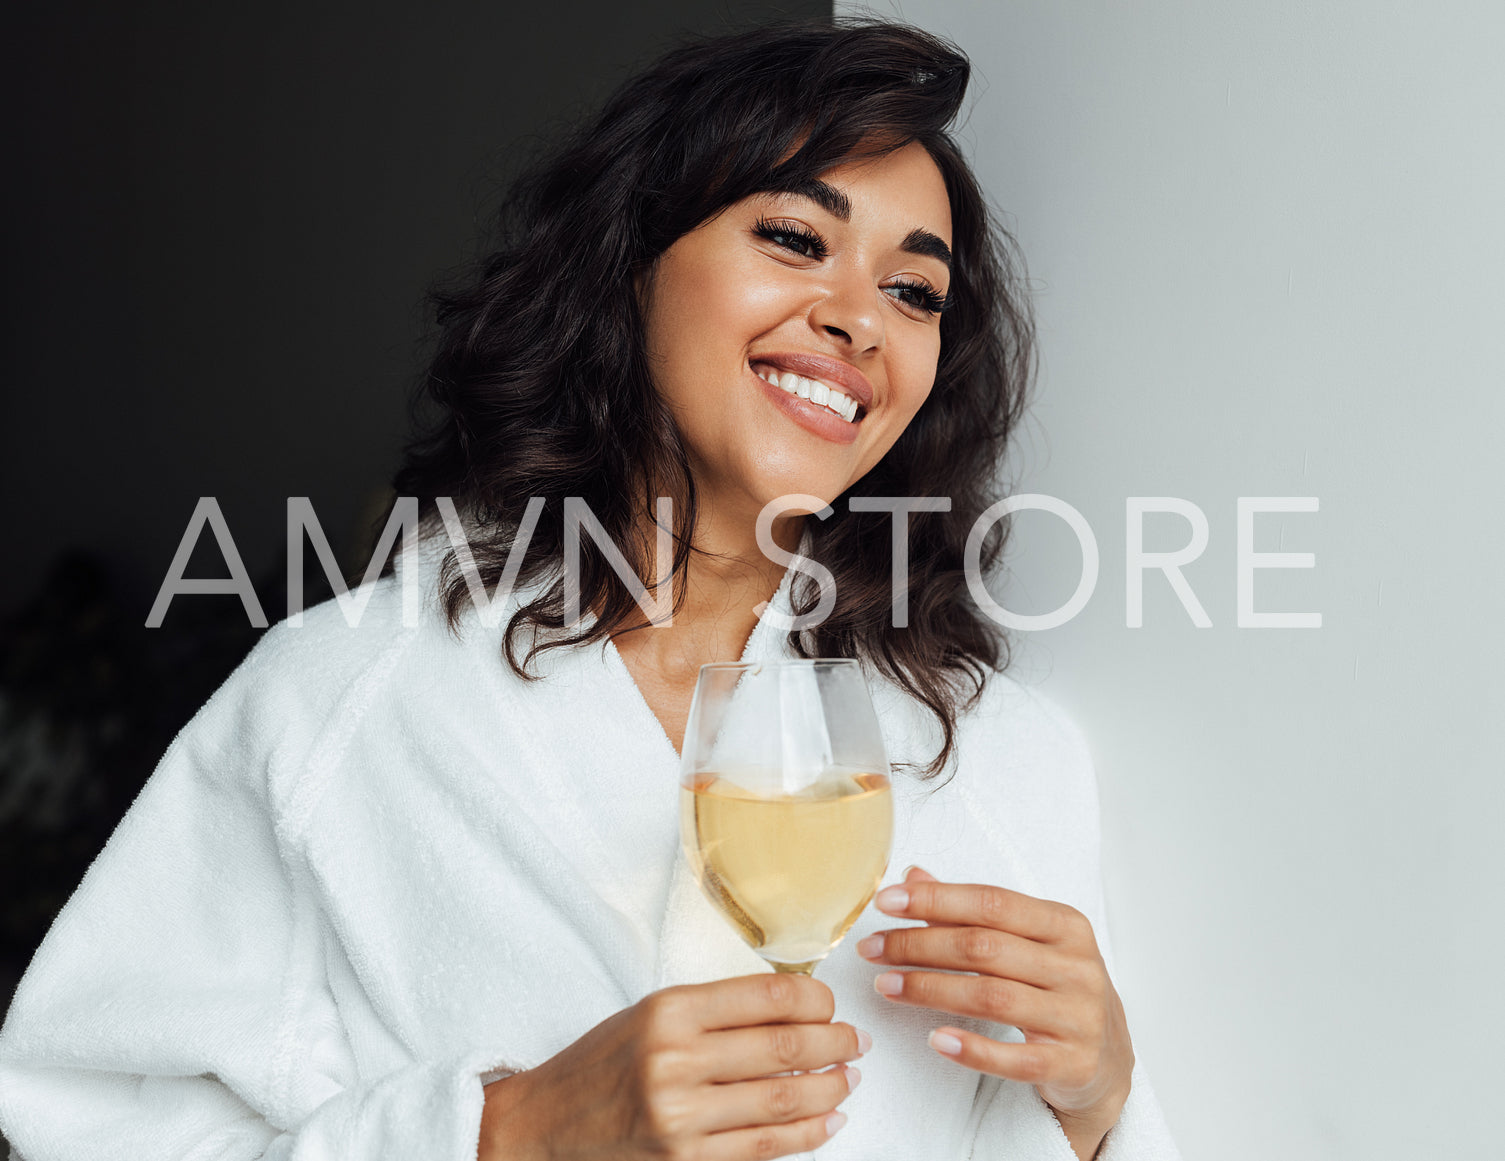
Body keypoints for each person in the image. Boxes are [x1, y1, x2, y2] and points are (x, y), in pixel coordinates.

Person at [0, 18, 1181, 1161]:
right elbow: (77, 1123)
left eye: (915, 294)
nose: (856, 320)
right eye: (791, 237)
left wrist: (1096, 1106)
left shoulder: (998, 756)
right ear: (628, 265)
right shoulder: (340, 701)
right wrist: (506, 1137)